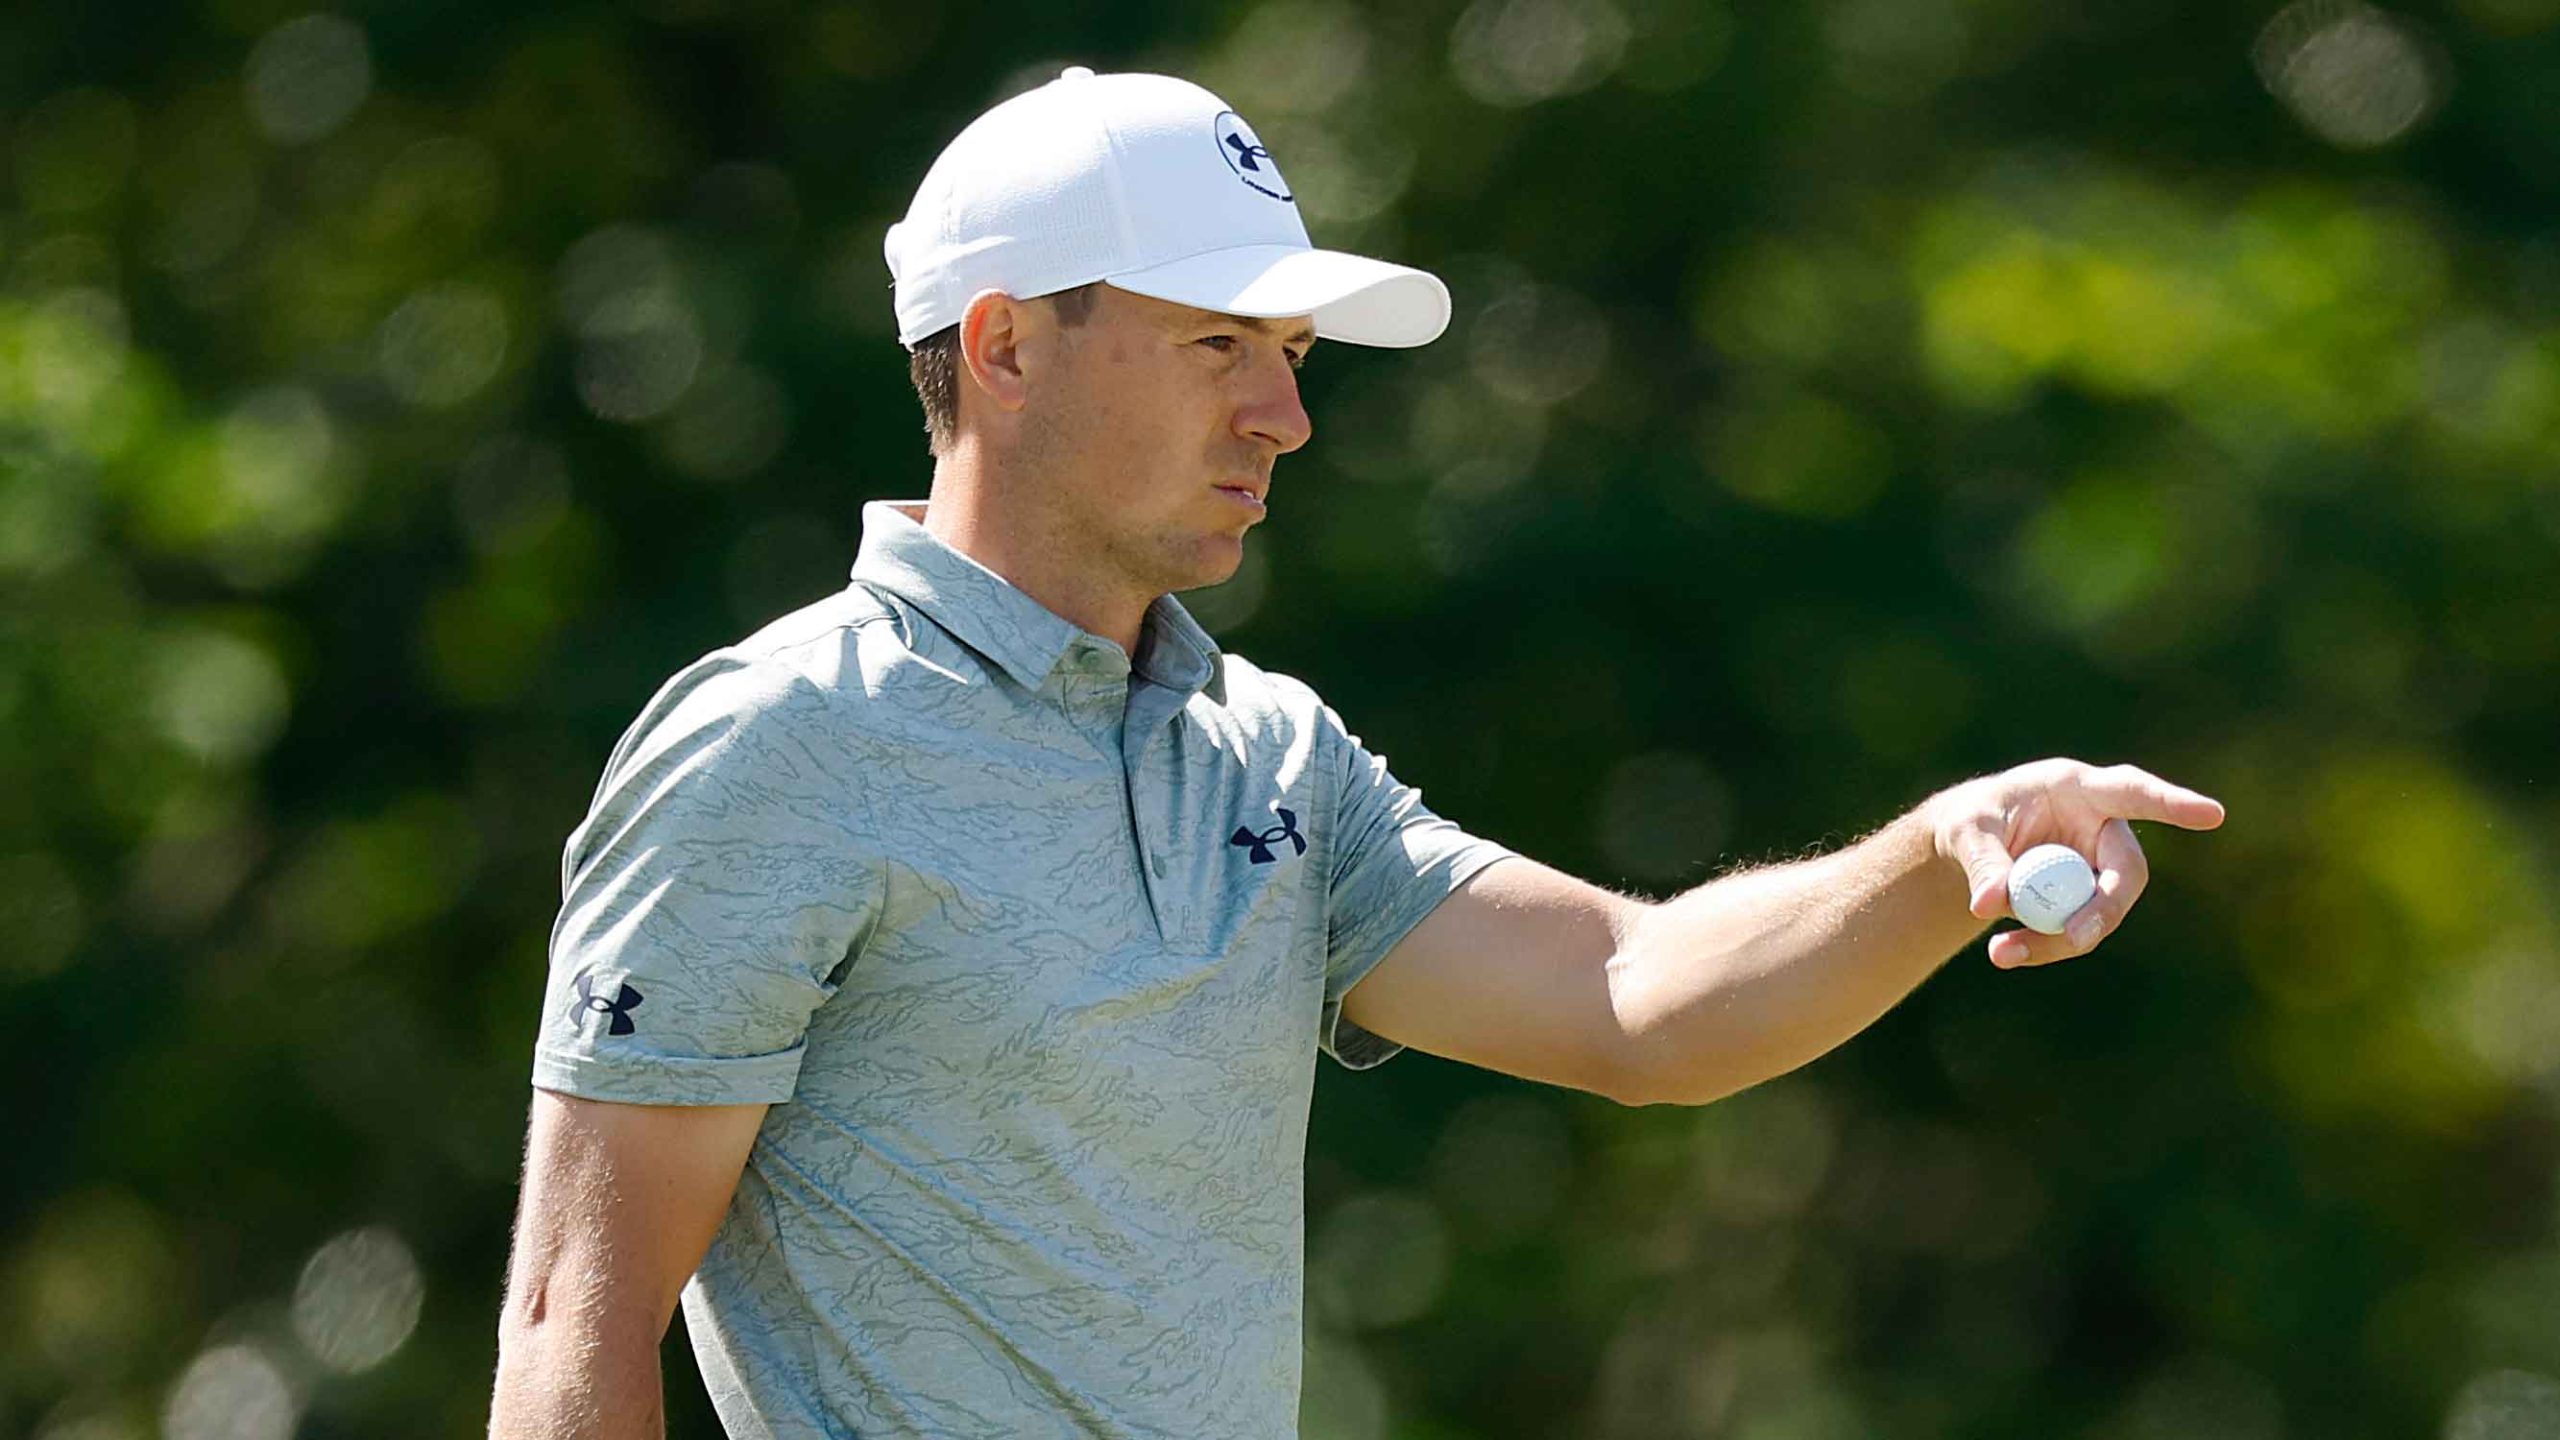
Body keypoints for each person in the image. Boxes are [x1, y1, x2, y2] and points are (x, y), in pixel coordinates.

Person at [487, 67, 2226, 1439]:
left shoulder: (1269, 759)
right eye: (1219, 344)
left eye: (1296, 354)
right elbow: (577, 1327)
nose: (1286, 415)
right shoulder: (778, 744)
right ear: (1007, 343)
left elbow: (1634, 999)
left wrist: (1939, 848)